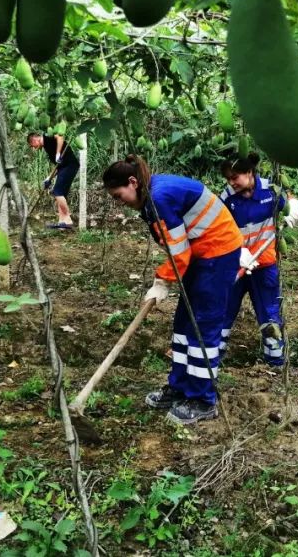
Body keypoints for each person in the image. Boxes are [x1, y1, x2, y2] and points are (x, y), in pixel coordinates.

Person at [103, 155, 243, 425]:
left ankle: (203, 400)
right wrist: (164, 279)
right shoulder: (150, 196)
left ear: (133, 182)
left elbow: (178, 255)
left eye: (119, 196)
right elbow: (177, 246)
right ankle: (179, 388)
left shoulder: (159, 199)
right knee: (183, 325)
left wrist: (161, 281)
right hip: (199, 253)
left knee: (202, 326)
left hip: (218, 253)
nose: (120, 203)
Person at [219, 153, 298, 368]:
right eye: (228, 178)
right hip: (236, 265)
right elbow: (217, 230)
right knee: (223, 310)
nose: (231, 182)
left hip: (264, 265)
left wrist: (294, 211)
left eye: (235, 177)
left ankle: (275, 360)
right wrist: (236, 253)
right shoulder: (227, 198)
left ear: (249, 173)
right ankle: (213, 356)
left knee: (269, 312)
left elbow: (293, 204)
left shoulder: (271, 191)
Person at [28, 132, 78, 230]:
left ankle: (68, 220)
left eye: (32, 146)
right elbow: (57, 166)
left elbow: (60, 136)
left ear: (34, 140)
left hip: (70, 165)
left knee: (58, 192)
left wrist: (58, 153)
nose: (34, 148)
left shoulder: (47, 137)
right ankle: (62, 222)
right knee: (60, 194)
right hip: (63, 168)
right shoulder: (47, 147)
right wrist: (48, 178)